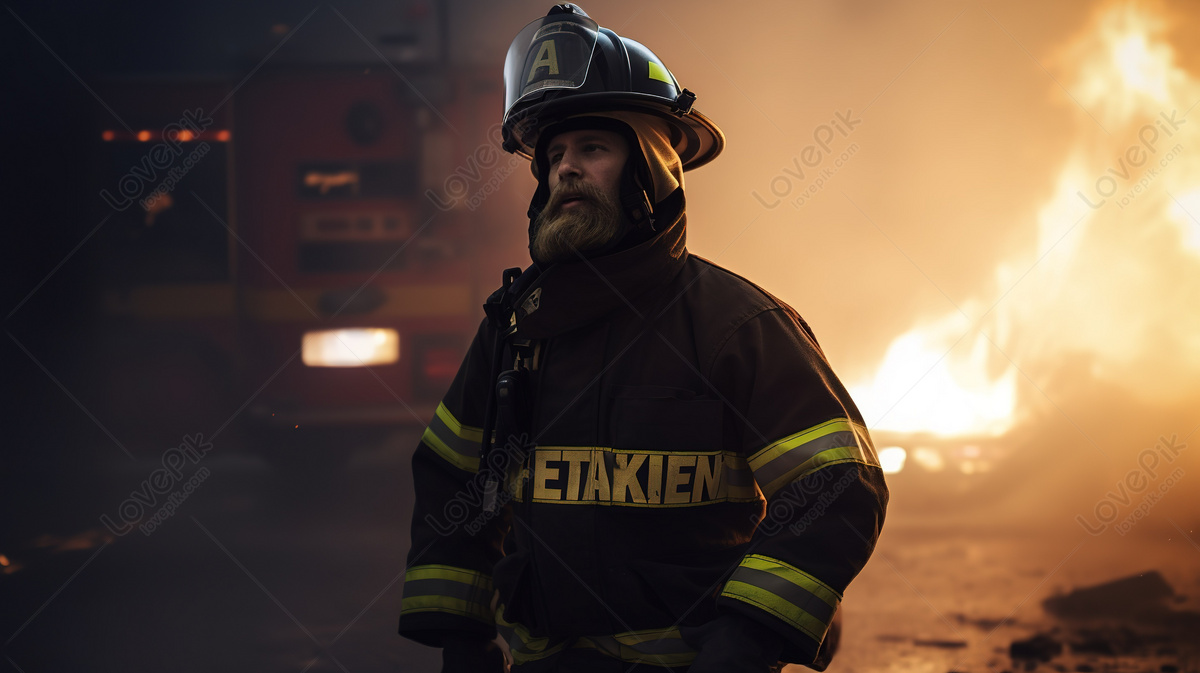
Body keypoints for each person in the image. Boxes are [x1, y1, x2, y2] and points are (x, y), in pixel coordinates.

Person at [398, 5, 888, 672]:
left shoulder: (736, 326)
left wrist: (747, 638)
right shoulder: (514, 330)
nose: (564, 170)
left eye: (592, 149)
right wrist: (463, 639)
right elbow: (450, 479)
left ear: (652, 170)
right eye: (554, 157)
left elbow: (836, 483)